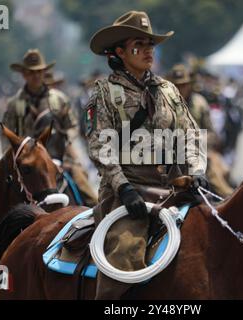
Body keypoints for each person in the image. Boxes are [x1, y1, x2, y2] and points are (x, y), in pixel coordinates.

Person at [86, 10, 208, 299]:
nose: (149, 51)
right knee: (125, 255)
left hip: (176, 188)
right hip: (128, 194)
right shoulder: (105, 93)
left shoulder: (168, 90)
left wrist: (197, 171)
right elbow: (100, 147)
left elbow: (191, 134)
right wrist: (124, 189)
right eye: (139, 45)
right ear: (120, 52)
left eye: (151, 44)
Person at [1, 49, 97, 206]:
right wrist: (12, 162)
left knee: (89, 195)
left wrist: (67, 142)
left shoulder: (58, 99)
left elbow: (72, 127)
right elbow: (6, 135)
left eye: (39, 71)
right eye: (31, 72)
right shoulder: (14, 104)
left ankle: (98, 217)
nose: (36, 76)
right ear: (24, 74)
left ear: (44, 72)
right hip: (26, 166)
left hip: (60, 160)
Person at [167, 64, 233, 196]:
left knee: (222, 170)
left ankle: (227, 199)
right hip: (174, 153)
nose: (180, 88)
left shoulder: (200, 103)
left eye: (184, 84)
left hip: (200, 150)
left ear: (190, 85)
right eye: (176, 85)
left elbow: (211, 132)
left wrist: (201, 143)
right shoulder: (164, 103)